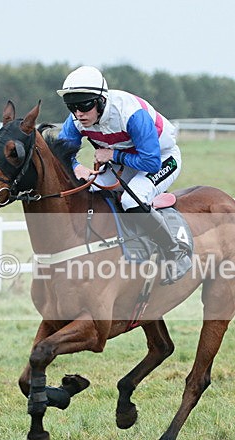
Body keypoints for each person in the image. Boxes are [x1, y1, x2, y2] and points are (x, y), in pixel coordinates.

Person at [56, 66, 191, 284]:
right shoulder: (75, 120)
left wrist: (112, 155)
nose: (78, 113)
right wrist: (75, 166)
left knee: (131, 199)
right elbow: (61, 152)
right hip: (125, 158)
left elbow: (151, 162)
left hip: (161, 159)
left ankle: (175, 253)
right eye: (72, 107)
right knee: (88, 190)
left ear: (100, 101)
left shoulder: (132, 115)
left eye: (84, 106)